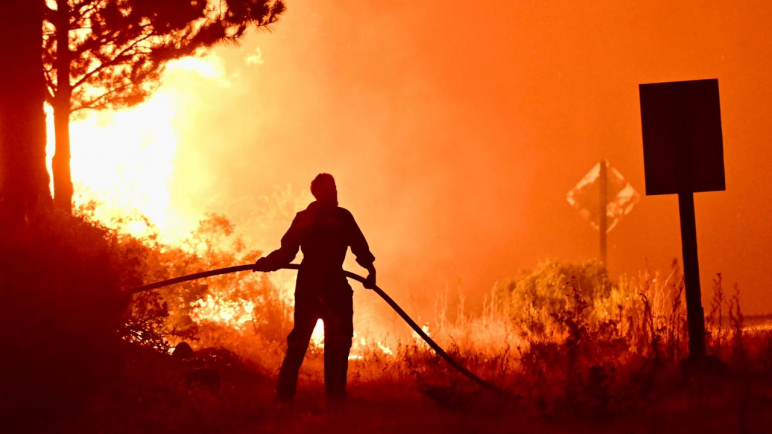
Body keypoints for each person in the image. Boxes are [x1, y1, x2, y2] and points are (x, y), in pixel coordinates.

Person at [254, 173, 376, 404]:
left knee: (316, 344)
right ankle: (314, 398)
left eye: (335, 190)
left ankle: (301, 398)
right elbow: (288, 251)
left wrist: (268, 263)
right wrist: (267, 263)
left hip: (316, 286)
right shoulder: (333, 217)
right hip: (327, 288)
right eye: (331, 191)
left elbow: (287, 252)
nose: (335, 195)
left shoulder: (318, 218)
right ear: (320, 194)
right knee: (319, 344)